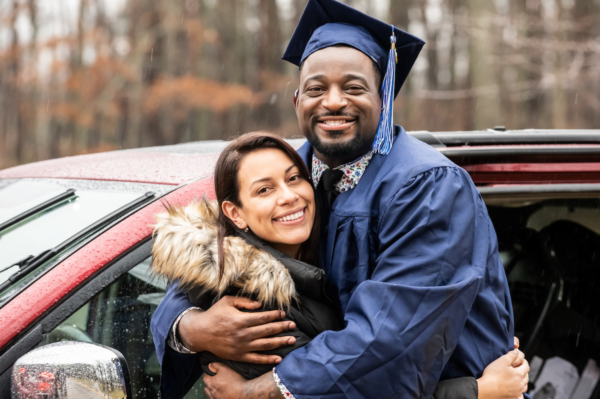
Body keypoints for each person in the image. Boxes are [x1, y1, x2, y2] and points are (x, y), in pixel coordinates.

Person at [151, 0, 527, 397]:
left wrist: (259, 392)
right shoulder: (289, 176)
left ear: (384, 101)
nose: (332, 102)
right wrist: (193, 328)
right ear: (298, 101)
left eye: (353, 87)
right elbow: (207, 266)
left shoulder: (429, 188)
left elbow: (388, 340)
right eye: (316, 89)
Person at [151, 133, 529, 398]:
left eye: (294, 179)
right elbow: (358, 382)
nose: (289, 196)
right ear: (235, 214)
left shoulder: (332, 201)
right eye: (264, 190)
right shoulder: (256, 309)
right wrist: (480, 392)